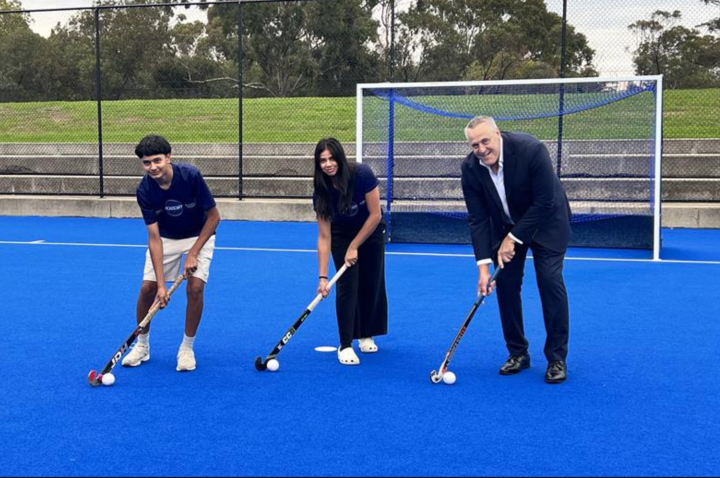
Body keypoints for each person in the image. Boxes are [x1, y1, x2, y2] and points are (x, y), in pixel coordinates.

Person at [460, 116, 572, 384]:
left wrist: (513, 238)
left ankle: (556, 357)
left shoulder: (531, 149)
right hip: (507, 224)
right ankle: (518, 353)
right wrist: (483, 268)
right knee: (506, 284)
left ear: (497, 134)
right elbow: (478, 218)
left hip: (548, 222)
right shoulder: (470, 168)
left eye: (485, 141)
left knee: (549, 280)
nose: (481, 149)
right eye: (475, 145)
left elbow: (545, 201)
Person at [122, 135, 221, 372]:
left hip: (199, 235)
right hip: (165, 239)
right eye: (147, 163)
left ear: (168, 157)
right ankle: (142, 345)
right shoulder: (144, 189)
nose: (153, 167)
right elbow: (154, 238)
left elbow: (214, 217)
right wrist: (160, 286)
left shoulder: (190, 176)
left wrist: (193, 253)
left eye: (157, 160)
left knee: (195, 288)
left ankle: (186, 348)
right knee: (147, 289)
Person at [313, 138, 388, 366]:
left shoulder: (362, 174)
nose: (328, 164)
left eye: (332, 158)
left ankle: (366, 333)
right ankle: (345, 344)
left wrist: (355, 246)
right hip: (341, 234)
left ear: (340, 158)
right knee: (347, 286)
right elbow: (324, 237)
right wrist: (323, 277)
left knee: (371, 282)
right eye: (323, 161)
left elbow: (375, 215)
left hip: (371, 230)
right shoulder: (321, 191)